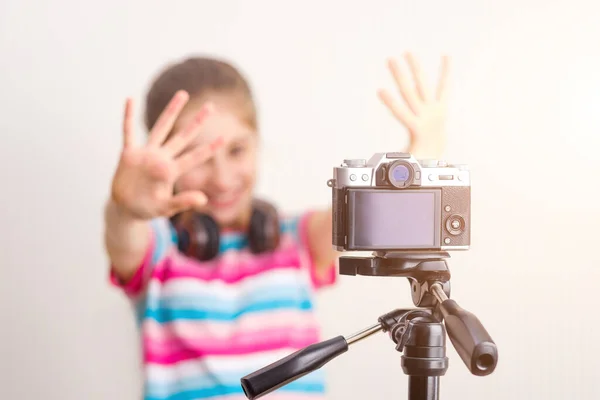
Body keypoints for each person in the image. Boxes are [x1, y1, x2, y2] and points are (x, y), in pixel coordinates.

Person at [104, 53, 450, 400]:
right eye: (199, 158)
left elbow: (366, 212)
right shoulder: (158, 249)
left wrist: (422, 153)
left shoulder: (296, 241)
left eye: (237, 150)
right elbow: (124, 235)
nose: (222, 179)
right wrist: (126, 209)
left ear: (257, 143)